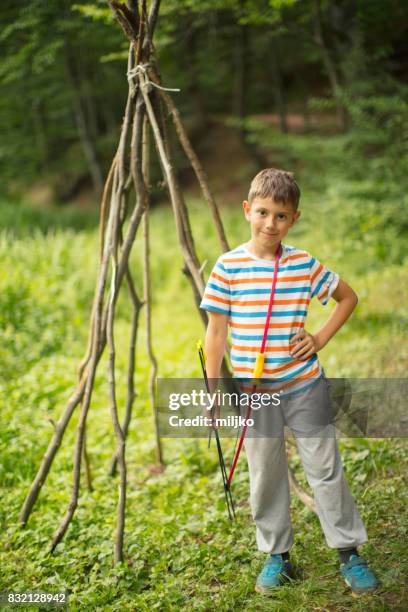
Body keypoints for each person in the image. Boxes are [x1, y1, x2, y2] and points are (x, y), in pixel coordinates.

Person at [199, 168, 378, 597]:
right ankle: (277, 556)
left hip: (304, 385)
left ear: (294, 218)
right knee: (265, 474)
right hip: (255, 395)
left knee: (326, 469)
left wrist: (318, 338)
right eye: (262, 212)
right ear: (247, 210)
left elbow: (347, 297)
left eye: (281, 216)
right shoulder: (228, 268)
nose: (270, 224)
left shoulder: (303, 264)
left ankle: (348, 552)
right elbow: (216, 334)